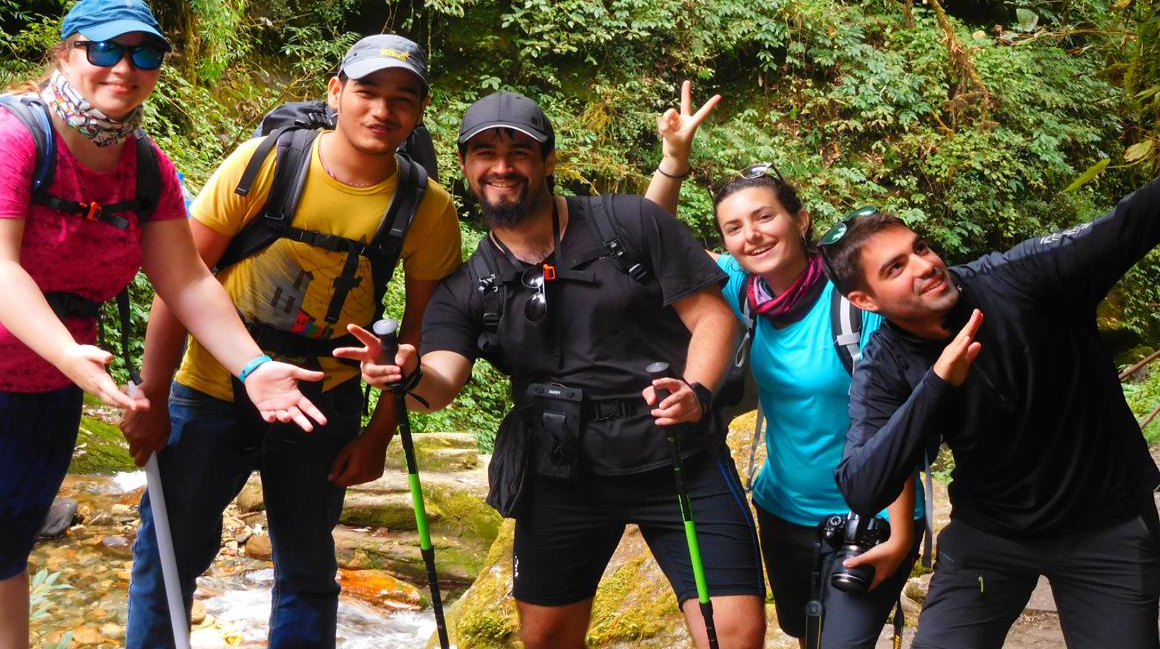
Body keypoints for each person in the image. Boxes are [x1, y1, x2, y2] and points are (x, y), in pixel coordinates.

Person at [0, 0, 325, 649]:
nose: (124, 67)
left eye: (145, 53)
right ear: (67, 54)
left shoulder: (146, 169)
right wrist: (65, 352)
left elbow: (187, 281)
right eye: (104, 49)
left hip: (38, 394)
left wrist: (255, 367)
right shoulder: (6, 136)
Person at [339, 90, 767, 649]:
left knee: (735, 636)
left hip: (676, 453)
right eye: (484, 153)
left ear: (548, 160)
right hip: (561, 473)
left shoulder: (630, 222)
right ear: (466, 167)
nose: (501, 166)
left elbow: (714, 318)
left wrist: (697, 391)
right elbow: (441, 382)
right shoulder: (466, 286)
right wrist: (405, 376)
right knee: (545, 640)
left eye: (518, 150)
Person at [123, 34, 462, 649]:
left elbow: (416, 332)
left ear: (419, 111)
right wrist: (151, 398)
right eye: (367, 91)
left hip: (323, 400)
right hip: (211, 388)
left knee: (307, 567)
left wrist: (378, 435)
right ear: (336, 92)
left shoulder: (428, 207)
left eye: (401, 99)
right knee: (167, 559)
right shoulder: (265, 163)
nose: (382, 110)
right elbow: (181, 283)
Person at [821, 180, 1160, 648]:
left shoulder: (1021, 276)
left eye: (919, 247)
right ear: (865, 300)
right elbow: (861, 484)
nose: (925, 266)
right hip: (991, 536)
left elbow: (1132, 221)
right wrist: (937, 383)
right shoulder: (886, 362)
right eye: (897, 267)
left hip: (1106, 524)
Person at [646, 81, 924, 649]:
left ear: (799, 220)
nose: (751, 235)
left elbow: (896, 416)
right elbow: (648, 239)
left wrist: (898, 532)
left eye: (764, 217)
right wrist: (674, 161)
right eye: (734, 228)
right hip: (781, 510)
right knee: (807, 636)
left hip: (869, 513)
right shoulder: (739, 290)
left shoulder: (854, 296)